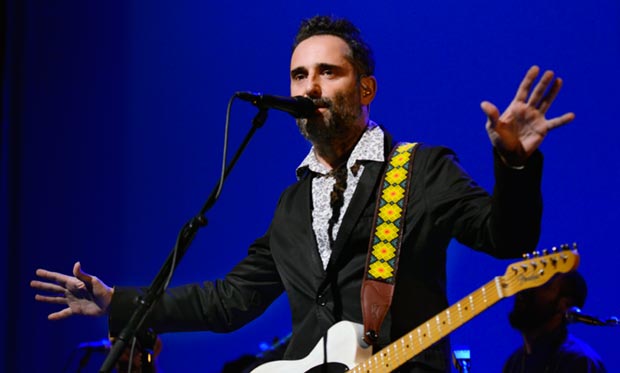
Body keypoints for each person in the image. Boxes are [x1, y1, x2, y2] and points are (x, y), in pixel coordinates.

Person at [30, 15, 575, 372]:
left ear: (365, 90)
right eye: (297, 75)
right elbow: (229, 301)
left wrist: (514, 161)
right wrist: (118, 303)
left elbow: (508, 236)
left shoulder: (421, 169)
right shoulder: (293, 204)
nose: (308, 87)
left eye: (326, 72)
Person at [503, 271, 607, 373]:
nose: (524, 291)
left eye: (542, 284)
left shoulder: (579, 360)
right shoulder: (514, 362)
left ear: (564, 305)